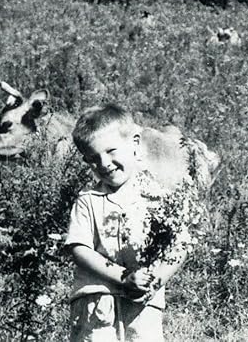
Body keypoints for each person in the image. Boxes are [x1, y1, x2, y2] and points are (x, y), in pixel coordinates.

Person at [65, 104, 188, 342]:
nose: (104, 163)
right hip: (97, 304)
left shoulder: (159, 199)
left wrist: (154, 281)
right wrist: (122, 276)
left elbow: (179, 247)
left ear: (135, 144)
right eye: (93, 159)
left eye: (111, 151)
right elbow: (79, 248)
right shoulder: (88, 201)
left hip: (142, 304)